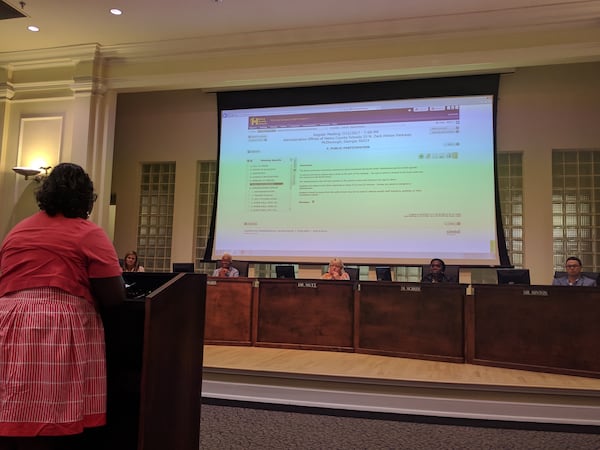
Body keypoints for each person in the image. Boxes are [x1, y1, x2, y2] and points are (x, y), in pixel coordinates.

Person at [0, 163, 126, 449]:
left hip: (7, 320)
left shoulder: (18, 230)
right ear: (86, 199)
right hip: (53, 324)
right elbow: (115, 296)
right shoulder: (87, 232)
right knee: (52, 412)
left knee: (12, 404)